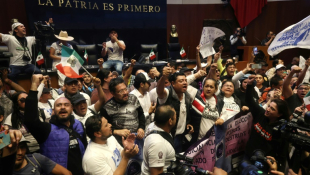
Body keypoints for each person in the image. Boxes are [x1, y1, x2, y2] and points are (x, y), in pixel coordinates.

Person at [24, 74, 87, 175]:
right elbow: (29, 120)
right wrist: (34, 85)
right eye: (59, 105)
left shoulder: (78, 125)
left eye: (66, 105)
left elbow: (85, 149)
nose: (62, 107)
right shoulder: (46, 129)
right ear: (53, 111)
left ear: (72, 109)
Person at [245, 75, 289, 172]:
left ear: (279, 114)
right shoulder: (261, 114)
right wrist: (249, 84)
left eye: (272, 109)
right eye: (269, 106)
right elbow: (249, 101)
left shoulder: (281, 130)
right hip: (248, 157)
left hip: (263, 165)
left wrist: (277, 171)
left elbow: (282, 155)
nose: (268, 109)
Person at [157, 67, 195, 153]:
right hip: (167, 136)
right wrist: (163, 77)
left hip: (182, 137)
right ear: (173, 83)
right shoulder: (168, 93)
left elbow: (184, 113)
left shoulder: (187, 96)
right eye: (181, 81)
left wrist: (188, 124)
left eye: (185, 80)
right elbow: (159, 92)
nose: (185, 83)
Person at [100, 77, 145, 146]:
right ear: (113, 93)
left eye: (125, 89)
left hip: (138, 138)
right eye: (120, 91)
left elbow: (141, 115)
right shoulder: (107, 108)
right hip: (120, 143)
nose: (125, 93)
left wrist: (141, 127)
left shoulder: (133, 98)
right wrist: (116, 131)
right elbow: (103, 129)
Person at [141, 105, 177, 175]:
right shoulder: (158, 143)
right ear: (170, 121)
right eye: (175, 115)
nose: (176, 117)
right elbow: (156, 173)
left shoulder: (154, 125)